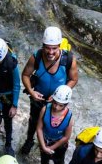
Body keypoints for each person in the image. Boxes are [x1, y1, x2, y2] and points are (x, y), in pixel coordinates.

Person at [20, 26, 78, 155]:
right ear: (43, 46)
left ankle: (49, 143)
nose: (50, 52)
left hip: (57, 101)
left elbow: (73, 79)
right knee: (34, 120)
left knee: (54, 124)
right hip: (38, 98)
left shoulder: (68, 60)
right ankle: (29, 140)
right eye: (47, 47)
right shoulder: (37, 57)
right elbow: (25, 75)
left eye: (54, 48)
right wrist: (31, 91)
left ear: (59, 46)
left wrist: (59, 95)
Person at [36, 85, 74, 164]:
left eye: (60, 105)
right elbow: (39, 128)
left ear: (66, 104)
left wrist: (51, 148)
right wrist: (44, 146)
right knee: (44, 161)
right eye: (55, 103)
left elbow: (66, 137)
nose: (56, 107)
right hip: (45, 141)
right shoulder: (45, 109)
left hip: (59, 145)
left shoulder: (69, 117)